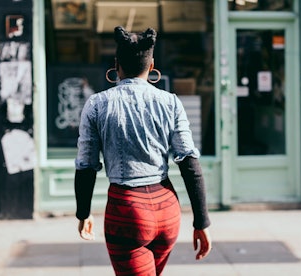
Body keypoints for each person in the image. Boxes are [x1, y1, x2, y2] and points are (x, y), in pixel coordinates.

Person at [74, 26, 211, 276]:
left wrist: (83, 212)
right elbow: (189, 162)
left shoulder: (96, 104)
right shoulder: (171, 102)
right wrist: (202, 221)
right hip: (167, 209)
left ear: (116, 65)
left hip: (126, 211)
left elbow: (86, 165)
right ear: (152, 65)